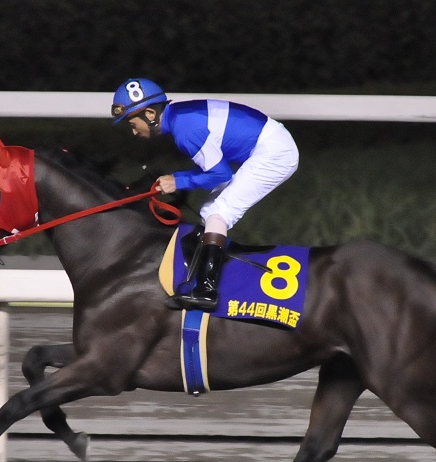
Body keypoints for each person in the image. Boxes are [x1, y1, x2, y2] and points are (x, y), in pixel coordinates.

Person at [111, 78, 299, 312]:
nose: (133, 131)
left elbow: (220, 174)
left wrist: (178, 181)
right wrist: (178, 178)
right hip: (268, 144)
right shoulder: (179, 118)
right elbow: (216, 169)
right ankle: (199, 268)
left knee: (219, 213)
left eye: (132, 123)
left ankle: (207, 291)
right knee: (209, 211)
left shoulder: (185, 131)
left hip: (275, 153)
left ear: (150, 114)